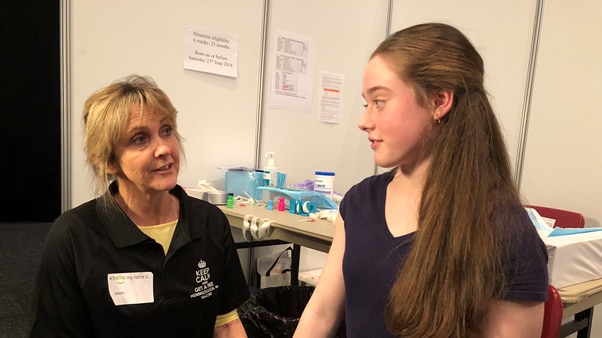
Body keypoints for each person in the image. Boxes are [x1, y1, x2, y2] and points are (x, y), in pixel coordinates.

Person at [294, 23, 548, 338]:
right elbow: (320, 315)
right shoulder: (359, 204)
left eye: (380, 101)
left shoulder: (505, 231)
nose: (363, 121)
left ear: (439, 101)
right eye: (366, 103)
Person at [30, 75, 250, 337]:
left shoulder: (210, 222)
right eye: (139, 139)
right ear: (107, 161)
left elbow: (225, 325)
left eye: (166, 130)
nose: (163, 149)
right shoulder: (73, 236)